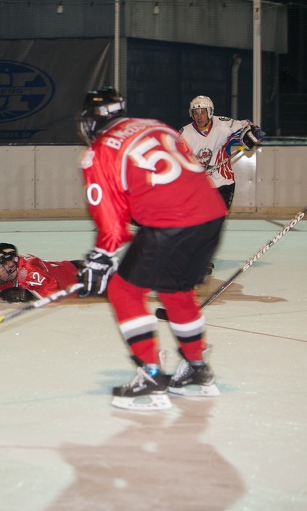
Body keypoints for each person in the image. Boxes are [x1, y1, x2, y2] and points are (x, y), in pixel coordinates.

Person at [76, 86, 227, 411]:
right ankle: (197, 369)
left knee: (123, 291)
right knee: (176, 290)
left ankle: (150, 375)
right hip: (212, 215)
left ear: (91, 122)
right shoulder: (155, 125)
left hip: (170, 222)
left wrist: (101, 258)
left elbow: (112, 221)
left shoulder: (99, 150)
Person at [178, 95, 264, 211]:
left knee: (215, 221)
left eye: (203, 112)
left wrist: (253, 134)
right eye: (196, 113)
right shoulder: (185, 134)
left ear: (210, 112)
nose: (199, 117)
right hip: (198, 186)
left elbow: (250, 128)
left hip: (223, 183)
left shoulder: (223, 126)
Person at [0, 243, 84, 303]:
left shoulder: (29, 270)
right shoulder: (7, 273)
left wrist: (28, 296)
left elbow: (54, 290)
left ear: (10, 264)